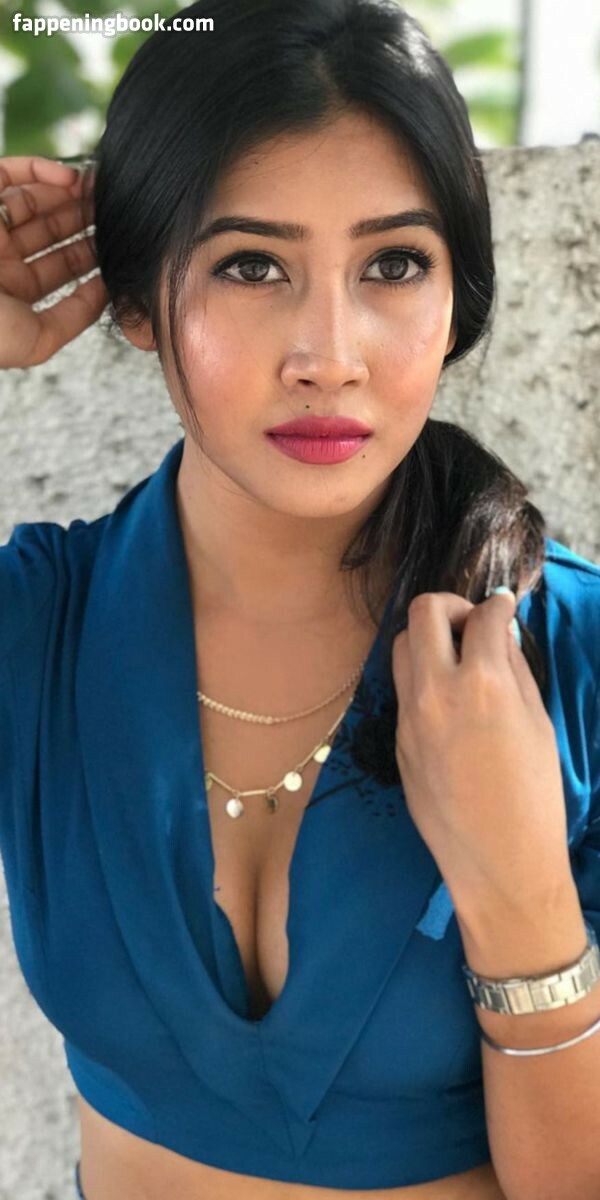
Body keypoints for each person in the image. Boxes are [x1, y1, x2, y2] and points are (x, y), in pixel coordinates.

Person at [1, 2, 599, 1199]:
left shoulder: (567, 660)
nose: (329, 353)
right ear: (136, 299)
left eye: (394, 265)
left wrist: (522, 902)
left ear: (458, 299)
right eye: (252, 265)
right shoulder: (39, 629)